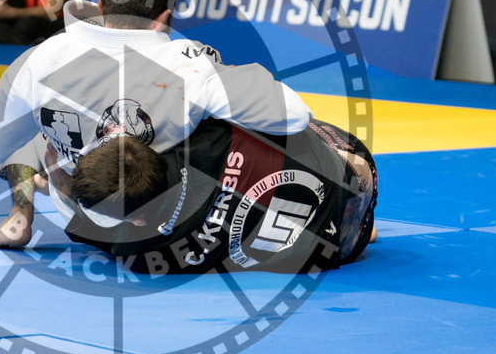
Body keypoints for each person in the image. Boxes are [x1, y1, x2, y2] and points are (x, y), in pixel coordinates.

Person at [0, 0, 312, 248]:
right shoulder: (189, 67)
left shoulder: (40, 59)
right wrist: (228, 71)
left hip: (78, 215)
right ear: (163, 19)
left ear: (100, 3)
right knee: (225, 118)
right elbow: (296, 115)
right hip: (154, 222)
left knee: (30, 124)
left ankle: (20, 216)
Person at [55, 117, 377, 274]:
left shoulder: (144, 252)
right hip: (355, 171)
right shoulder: (202, 132)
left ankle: (363, 227)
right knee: (272, 122)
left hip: (343, 244)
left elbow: (75, 215)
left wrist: (49, 174)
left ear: (137, 219)